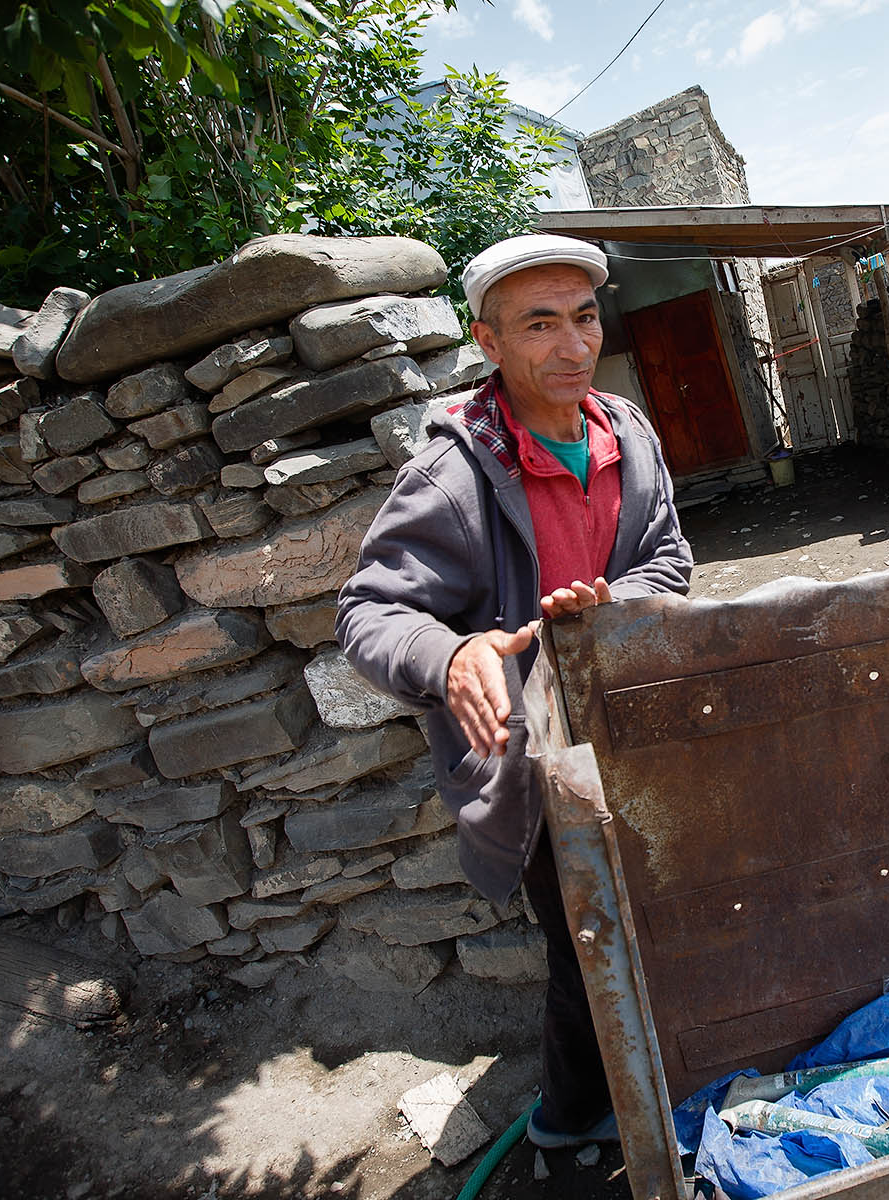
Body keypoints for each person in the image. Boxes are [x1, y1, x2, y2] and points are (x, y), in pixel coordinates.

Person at [335, 233, 693, 1149]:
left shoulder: (628, 431)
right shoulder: (454, 475)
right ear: (488, 342)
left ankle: (657, 1081)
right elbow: (370, 613)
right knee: (585, 951)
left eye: (583, 318)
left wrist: (619, 605)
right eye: (540, 325)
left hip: (630, 729)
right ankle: (571, 1120)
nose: (573, 346)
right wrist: (452, 655)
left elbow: (669, 558)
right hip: (532, 768)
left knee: (658, 920)